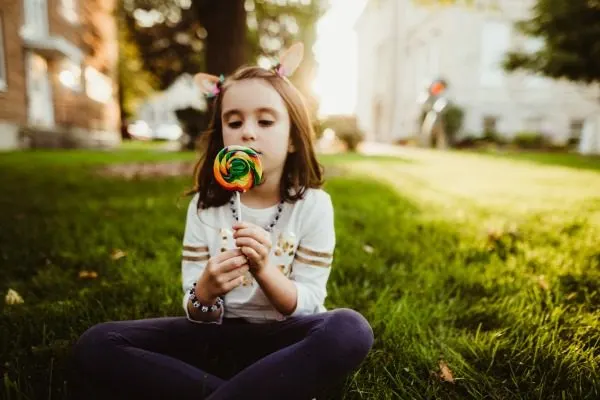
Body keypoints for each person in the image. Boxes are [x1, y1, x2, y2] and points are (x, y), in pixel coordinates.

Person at [70, 43, 374, 400]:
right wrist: (206, 290)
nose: (248, 132)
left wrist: (265, 270)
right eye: (234, 121)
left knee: (350, 329)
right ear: (222, 138)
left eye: (265, 120)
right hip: (215, 337)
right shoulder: (205, 207)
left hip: (285, 340)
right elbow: (196, 310)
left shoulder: (313, 206)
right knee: (98, 343)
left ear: (293, 139)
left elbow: (308, 300)